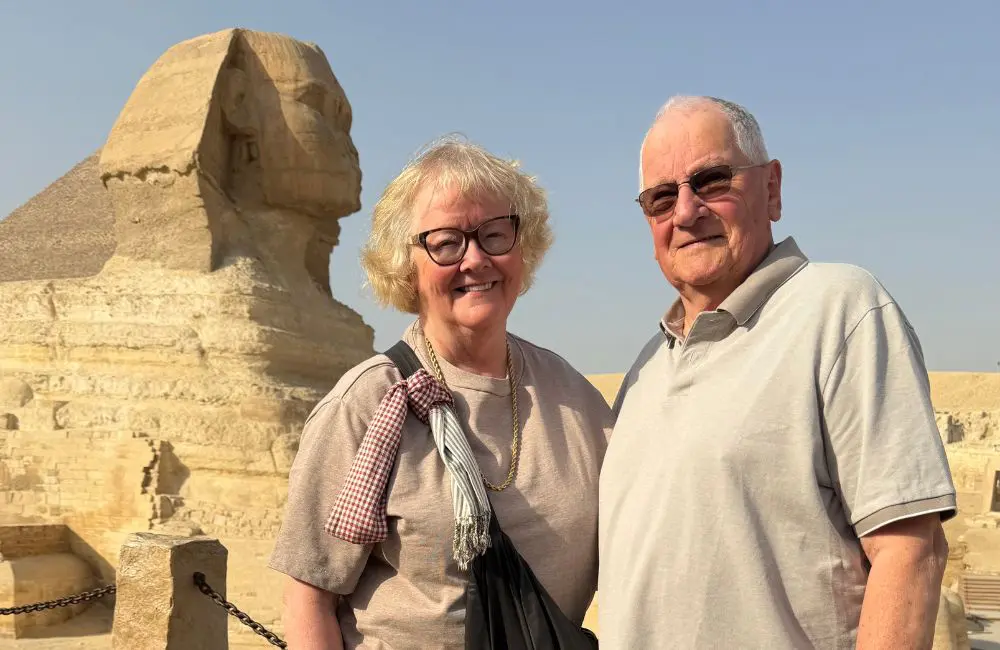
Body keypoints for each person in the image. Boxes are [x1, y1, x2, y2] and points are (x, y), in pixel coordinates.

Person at [598, 96, 956, 649]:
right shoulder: (647, 367)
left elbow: (909, 548)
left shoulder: (839, 310)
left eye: (712, 181)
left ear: (772, 188)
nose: (686, 212)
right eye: (661, 198)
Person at [269, 137, 614, 649]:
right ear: (406, 265)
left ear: (523, 247)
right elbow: (308, 599)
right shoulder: (367, 404)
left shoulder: (574, 399)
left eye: (495, 234)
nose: (476, 259)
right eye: (447, 242)